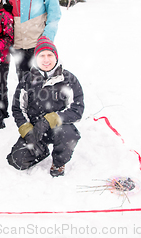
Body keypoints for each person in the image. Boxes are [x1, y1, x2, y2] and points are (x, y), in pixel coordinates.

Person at [7, 37, 84, 177]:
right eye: (42, 55)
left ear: (56, 57)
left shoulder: (68, 79)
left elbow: (77, 110)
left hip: (59, 127)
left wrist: (51, 119)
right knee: (17, 161)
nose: (46, 60)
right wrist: (27, 131)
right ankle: (41, 150)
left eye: (50, 55)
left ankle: (59, 163)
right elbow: (18, 109)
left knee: (68, 135)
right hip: (35, 129)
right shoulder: (27, 80)